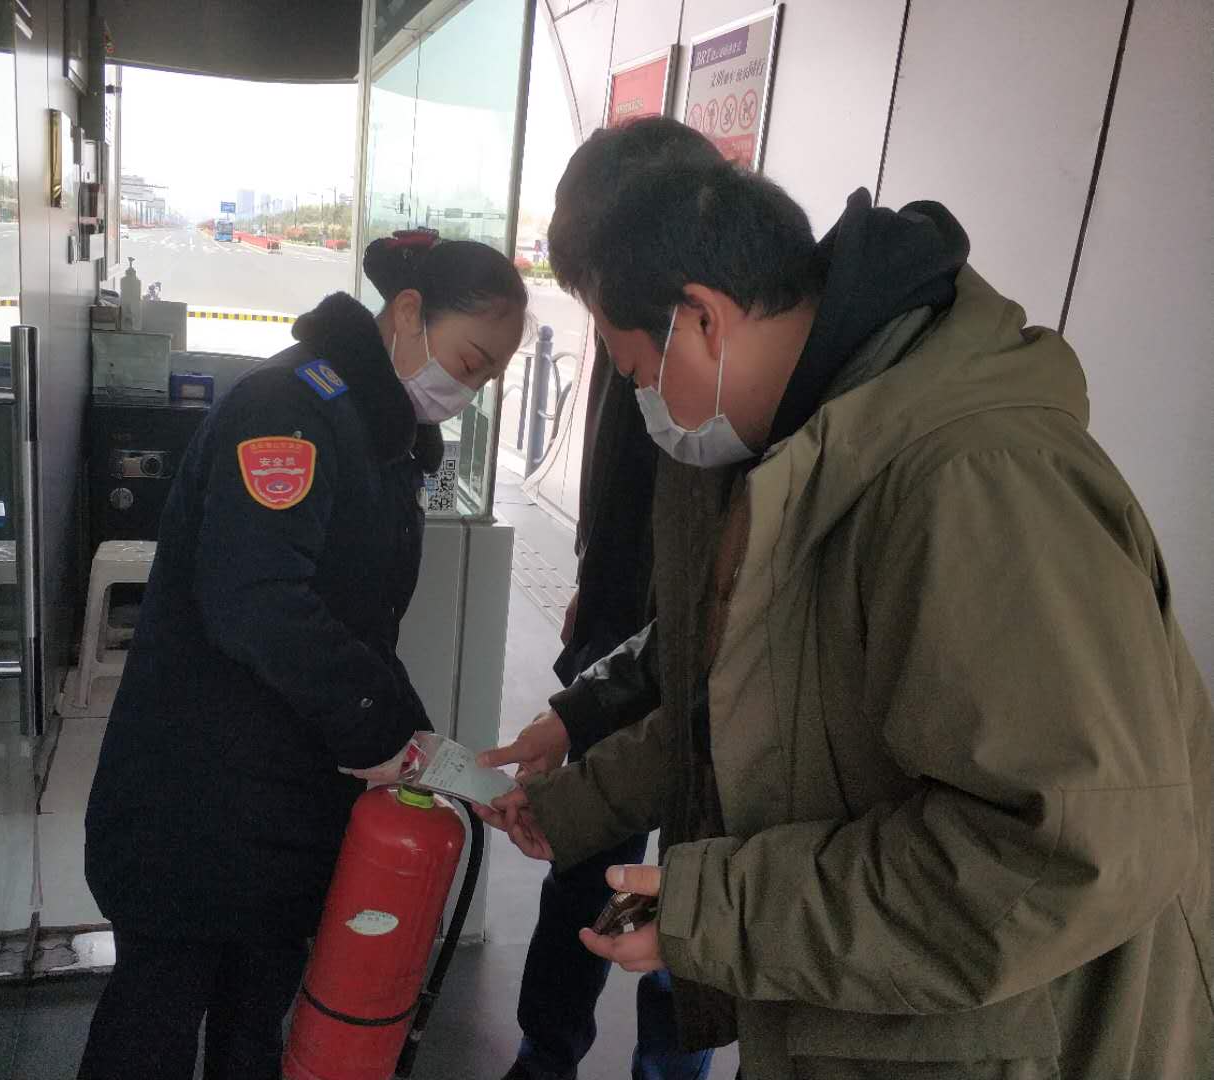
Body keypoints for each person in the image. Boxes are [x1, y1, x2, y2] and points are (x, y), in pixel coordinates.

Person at [482, 117, 1212, 1079]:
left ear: (702, 319)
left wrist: (716, 913)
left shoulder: (972, 479)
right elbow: (745, 711)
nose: (647, 404)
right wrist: (574, 805)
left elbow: (1068, 853)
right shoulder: (814, 451)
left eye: (637, 372)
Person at [79, 230, 528, 1080]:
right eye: (469, 363)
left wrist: (444, 762)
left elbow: (360, 630)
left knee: (255, 1031)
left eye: (485, 379)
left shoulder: (373, 433)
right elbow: (257, 602)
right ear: (407, 313)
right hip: (196, 802)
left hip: (284, 810)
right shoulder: (289, 410)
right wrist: (383, 732)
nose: (465, 392)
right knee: (152, 1030)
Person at [484, 121, 725, 1080]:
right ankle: (547, 1053)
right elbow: (621, 500)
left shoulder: (730, 376)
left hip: (712, 664)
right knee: (581, 858)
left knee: (695, 878)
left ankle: (672, 1064)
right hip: (626, 640)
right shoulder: (637, 343)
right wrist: (590, 611)